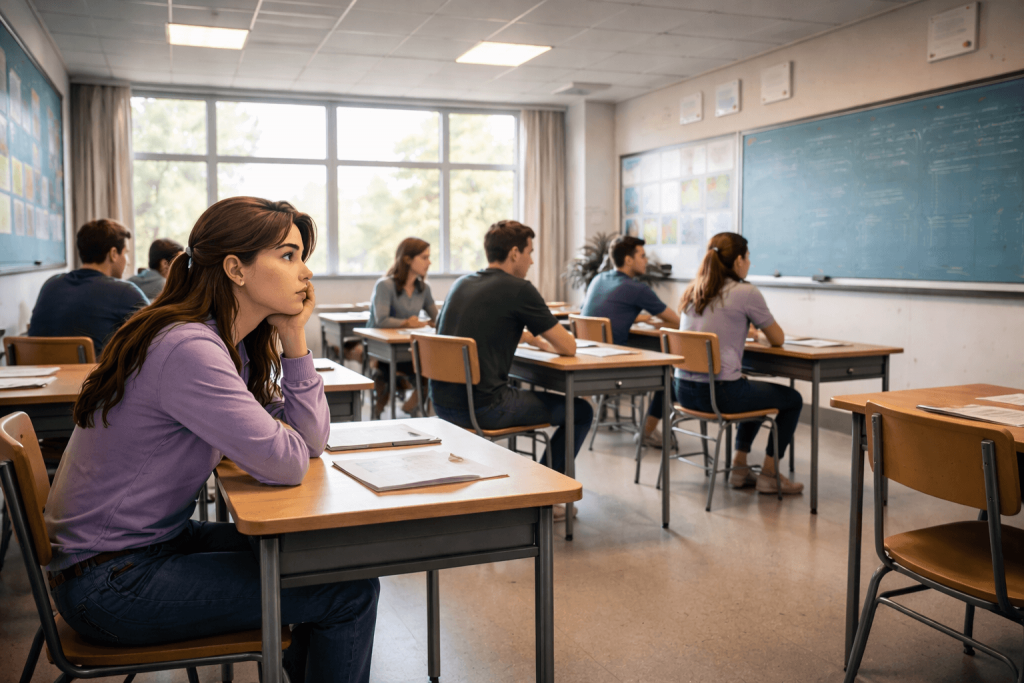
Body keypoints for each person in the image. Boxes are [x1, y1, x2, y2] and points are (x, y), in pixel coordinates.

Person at [44, 197, 379, 683]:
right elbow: (287, 463)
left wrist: (292, 335)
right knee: (348, 592)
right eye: (289, 256)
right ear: (235, 269)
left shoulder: (220, 342)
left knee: (318, 560)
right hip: (110, 583)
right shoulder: (189, 348)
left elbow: (309, 441)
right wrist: (295, 348)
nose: (306, 273)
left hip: (145, 548)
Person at [430, 220, 593, 519]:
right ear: (515, 253)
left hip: (442, 405)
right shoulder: (519, 289)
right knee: (581, 411)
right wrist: (548, 341)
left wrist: (530, 337)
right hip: (485, 408)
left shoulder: (462, 283)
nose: (532, 260)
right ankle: (545, 496)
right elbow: (568, 346)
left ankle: (533, 487)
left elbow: (489, 324)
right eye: (530, 252)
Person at [674, 232, 804, 495]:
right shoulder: (746, 292)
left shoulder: (693, 290)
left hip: (683, 392)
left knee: (750, 390)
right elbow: (777, 338)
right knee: (792, 399)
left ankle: (739, 467)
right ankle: (769, 475)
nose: (749, 263)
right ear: (737, 261)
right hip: (720, 395)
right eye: (747, 258)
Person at [580, 235, 681, 448]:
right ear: (628, 260)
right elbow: (676, 321)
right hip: (613, 366)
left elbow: (609, 311)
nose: (646, 261)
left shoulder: (599, 279)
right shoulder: (637, 289)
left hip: (586, 361)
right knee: (668, 378)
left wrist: (639, 317)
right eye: (642, 256)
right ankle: (647, 432)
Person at [28, 219, 148, 356]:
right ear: (113, 253)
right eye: (126, 253)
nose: (128, 261)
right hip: (90, 376)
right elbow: (159, 337)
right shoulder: (125, 292)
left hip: (35, 374)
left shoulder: (51, 284)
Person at [368, 237, 439, 417]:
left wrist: (435, 323)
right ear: (407, 259)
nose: (429, 262)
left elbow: (437, 318)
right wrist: (407, 323)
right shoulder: (385, 285)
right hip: (383, 350)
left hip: (411, 349)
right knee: (389, 372)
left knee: (432, 368)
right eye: (424, 257)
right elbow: (381, 321)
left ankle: (410, 409)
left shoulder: (424, 288)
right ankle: (393, 404)